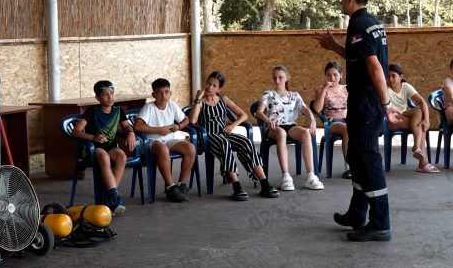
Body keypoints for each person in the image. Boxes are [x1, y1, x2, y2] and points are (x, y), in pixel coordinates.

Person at [314, 0, 399, 241]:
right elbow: (361, 57)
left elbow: (374, 67)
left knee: (368, 159)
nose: (341, 1)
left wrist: (386, 104)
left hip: (367, 101)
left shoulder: (359, 25)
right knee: (358, 158)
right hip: (364, 100)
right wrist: (334, 47)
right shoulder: (371, 23)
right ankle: (357, 213)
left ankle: (380, 224)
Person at [189, 71, 279, 201]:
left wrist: (232, 125)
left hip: (224, 133)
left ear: (219, 88)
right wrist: (197, 98)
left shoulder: (223, 99)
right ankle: (237, 187)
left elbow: (243, 115)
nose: (209, 87)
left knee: (246, 142)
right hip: (208, 136)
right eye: (208, 83)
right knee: (224, 144)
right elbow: (192, 120)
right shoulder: (200, 102)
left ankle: (264, 184)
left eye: (214, 85)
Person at [256, 65, 324, 191]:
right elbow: (259, 112)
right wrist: (267, 120)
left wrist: (312, 120)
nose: (277, 81)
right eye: (274, 78)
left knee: (305, 133)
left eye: (280, 77)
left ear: (287, 78)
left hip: (291, 126)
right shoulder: (268, 94)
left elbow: (305, 109)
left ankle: (311, 176)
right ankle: (286, 177)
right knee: (281, 133)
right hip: (274, 127)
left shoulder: (295, 95)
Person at [71, 80, 135, 215]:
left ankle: (111, 198)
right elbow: (76, 131)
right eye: (105, 95)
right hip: (93, 148)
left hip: (111, 147)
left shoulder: (118, 110)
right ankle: (113, 199)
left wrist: (130, 133)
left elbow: (126, 126)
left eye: (112, 93)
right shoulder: (92, 111)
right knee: (104, 156)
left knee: (122, 156)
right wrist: (93, 137)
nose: (110, 97)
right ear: (97, 98)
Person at [133, 78, 196, 202]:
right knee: (162, 150)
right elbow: (137, 126)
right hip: (151, 141)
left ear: (170, 93)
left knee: (190, 148)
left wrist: (178, 126)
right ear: (153, 95)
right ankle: (170, 187)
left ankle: (181, 185)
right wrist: (158, 130)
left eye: (166, 92)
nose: (163, 96)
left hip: (169, 140)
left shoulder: (172, 105)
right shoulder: (149, 107)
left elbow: (186, 120)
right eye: (159, 92)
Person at [387, 63, 439, 173]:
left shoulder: (405, 86)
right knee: (421, 127)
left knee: (419, 113)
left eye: (393, 76)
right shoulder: (385, 88)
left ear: (401, 77)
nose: (390, 79)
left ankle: (417, 147)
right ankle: (423, 163)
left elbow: (422, 102)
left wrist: (427, 120)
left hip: (402, 114)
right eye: (388, 76)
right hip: (391, 118)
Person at [313, 61, 351, 179]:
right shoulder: (320, 89)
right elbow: (317, 109)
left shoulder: (346, 89)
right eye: (329, 75)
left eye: (335, 74)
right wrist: (324, 89)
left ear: (341, 75)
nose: (332, 77)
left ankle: (364, 165)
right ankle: (349, 168)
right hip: (332, 122)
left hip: (348, 120)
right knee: (346, 129)